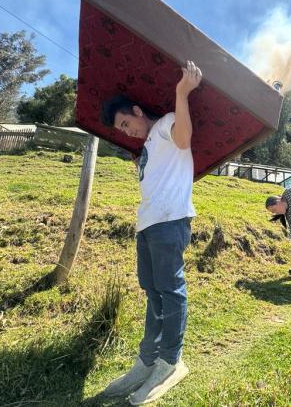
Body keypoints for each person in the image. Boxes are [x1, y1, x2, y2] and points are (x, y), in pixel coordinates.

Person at [101, 61, 202, 405]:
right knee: (153, 291)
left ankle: (170, 362)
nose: (126, 131)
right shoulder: (144, 149)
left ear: (138, 110)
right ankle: (147, 360)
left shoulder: (166, 125)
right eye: (121, 129)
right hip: (147, 224)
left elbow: (185, 138)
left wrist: (182, 92)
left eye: (126, 122)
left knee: (171, 290)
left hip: (171, 221)